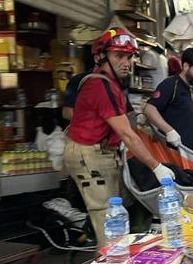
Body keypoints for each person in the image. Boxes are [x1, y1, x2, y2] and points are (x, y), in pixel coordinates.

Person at [64, 28, 175, 246]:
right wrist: (156, 166)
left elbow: (130, 125)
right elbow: (127, 133)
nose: (126, 62)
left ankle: (124, 255)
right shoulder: (100, 85)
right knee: (108, 217)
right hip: (89, 155)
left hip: (103, 152)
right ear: (101, 57)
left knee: (129, 201)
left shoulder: (113, 86)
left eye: (129, 57)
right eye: (119, 56)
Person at [144, 47, 193, 156]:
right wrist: (169, 131)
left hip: (190, 153)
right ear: (185, 66)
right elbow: (149, 109)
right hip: (170, 153)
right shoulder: (170, 85)